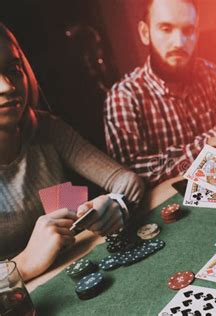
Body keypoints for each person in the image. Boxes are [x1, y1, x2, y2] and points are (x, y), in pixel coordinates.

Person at [0, 24, 145, 281]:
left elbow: (126, 181)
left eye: (13, 70)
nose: (7, 86)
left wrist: (113, 205)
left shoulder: (44, 127)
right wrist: (22, 264)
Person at [104, 0, 216, 187]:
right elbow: (130, 172)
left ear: (196, 35)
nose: (179, 42)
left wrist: (209, 147)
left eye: (188, 31)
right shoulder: (123, 95)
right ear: (145, 33)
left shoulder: (205, 70)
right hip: (167, 204)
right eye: (166, 29)